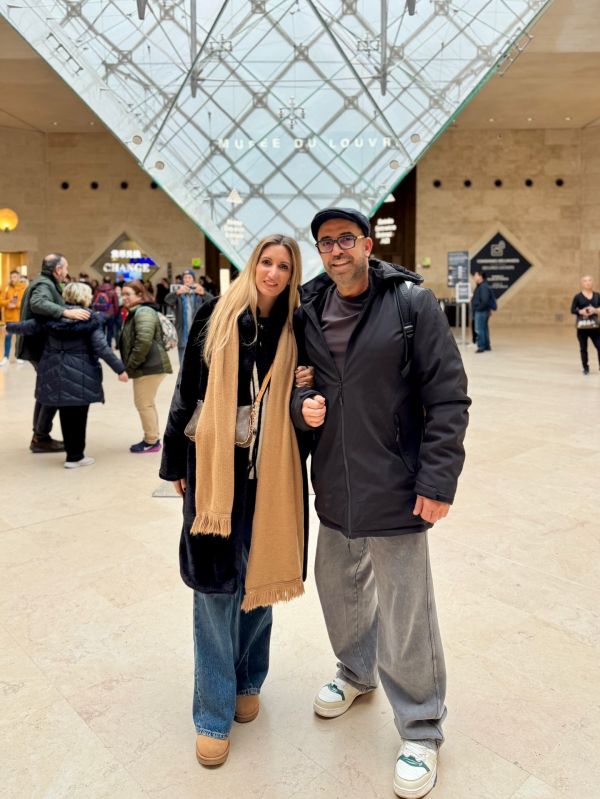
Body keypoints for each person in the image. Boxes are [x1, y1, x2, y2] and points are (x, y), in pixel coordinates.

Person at [290, 208, 470, 799]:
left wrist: (437, 481)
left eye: (346, 238)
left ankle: (420, 727)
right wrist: (302, 409)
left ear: (368, 244)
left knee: (405, 609)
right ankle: (355, 671)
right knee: (338, 587)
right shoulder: (308, 310)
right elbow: (298, 386)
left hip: (396, 482)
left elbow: (448, 397)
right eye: (326, 242)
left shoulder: (411, 304)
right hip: (334, 483)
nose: (336, 250)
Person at [159, 234, 311, 768]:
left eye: (284, 266)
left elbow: (308, 398)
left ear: (292, 275)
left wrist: (306, 393)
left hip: (272, 475)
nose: (273, 273)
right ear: (252, 265)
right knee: (214, 591)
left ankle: (249, 679)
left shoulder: (297, 327)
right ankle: (212, 713)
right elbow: (187, 390)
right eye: (266, 262)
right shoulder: (215, 315)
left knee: (260, 582)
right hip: (214, 473)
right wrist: (175, 463)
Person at [8, 282, 128, 467]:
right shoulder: (89, 319)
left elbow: (27, 327)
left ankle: (73, 455)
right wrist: (120, 369)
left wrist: (8, 327)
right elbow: (102, 348)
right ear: (85, 297)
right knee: (79, 416)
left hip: (54, 372)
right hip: (81, 373)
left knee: (65, 414)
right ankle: (75, 456)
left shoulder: (51, 318)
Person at [16, 253, 91, 453]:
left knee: (46, 391)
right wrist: (65, 312)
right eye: (65, 268)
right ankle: (40, 438)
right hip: (40, 348)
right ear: (58, 269)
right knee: (53, 391)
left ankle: (40, 436)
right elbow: (38, 303)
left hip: (39, 348)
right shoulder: (44, 285)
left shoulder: (45, 282)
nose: (66, 272)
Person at [119, 280, 172, 453]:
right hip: (148, 365)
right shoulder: (138, 311)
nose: (124, 297)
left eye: (128, 294)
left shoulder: (143, 312)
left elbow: (143, 342)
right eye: (123, 294)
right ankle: (153, 438)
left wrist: (130, 366)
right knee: (147, 403)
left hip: (149, 366)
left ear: (140, 295)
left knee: (144, 404)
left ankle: (151, 441)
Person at [164, 269, 209, 364]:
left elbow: (213, 302)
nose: (187, 279)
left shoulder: (199, 294)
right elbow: (167, 300)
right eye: (185, 278)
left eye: (189, 277)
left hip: (197, 332)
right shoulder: (179, 294)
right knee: (183, 362)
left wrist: (204, 293)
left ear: (193, 280)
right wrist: (177, 293)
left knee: (196, 362)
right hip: (182, 333)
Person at [570, 274, 600, 374]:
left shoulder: (597, 296)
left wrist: (595, 310)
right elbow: (572, 310)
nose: (588, 282)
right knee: (583, 348)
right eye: (585, 281)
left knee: (599, 346)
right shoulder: (578, 297)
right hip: (582, 328)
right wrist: (581, 311)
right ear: (582, 283)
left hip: (595, 327)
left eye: (589, 280)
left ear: (592, 282)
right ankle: (585, 368)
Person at [0, 269, 27, 365]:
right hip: (9, 318)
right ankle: (6, 357)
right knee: (8, 338)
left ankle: (18, 356)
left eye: (14, 277)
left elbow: (25, 302)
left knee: (19, 338)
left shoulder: (23, 288)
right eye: (11, 277)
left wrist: (15, 305)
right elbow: (1, 301)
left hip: (19, 317)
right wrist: (8, 303)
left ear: (19, 277)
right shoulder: (6, 288)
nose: (12, 279)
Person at [471, 270, 497, 352]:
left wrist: (478, 309)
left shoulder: (483, 287)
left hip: (481, 311)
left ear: (480, 277)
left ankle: (481, 346)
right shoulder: (481, 286)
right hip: (483, 311)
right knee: (484, 328)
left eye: (475, 275)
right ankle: (486, 346)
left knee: (479, 329)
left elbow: (485, 301)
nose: (474, 277)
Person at [92, 276, 120, 347]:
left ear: (103, 281)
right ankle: (108, 346)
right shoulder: (113, 291)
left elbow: (93, 301)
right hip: (110, 313)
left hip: (100, 313)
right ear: (110, 281)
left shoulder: (97, 290)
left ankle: (102, 346)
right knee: (110, 331)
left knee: (101, 331)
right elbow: (116, 304)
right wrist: (116, 313)